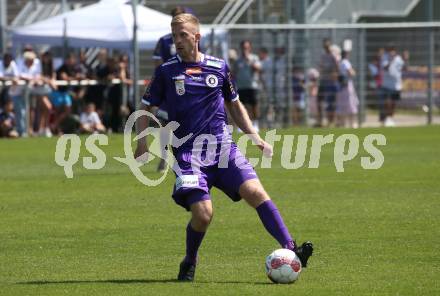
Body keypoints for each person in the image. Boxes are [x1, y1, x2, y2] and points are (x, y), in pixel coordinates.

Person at [135, 13, 313, 282]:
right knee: (204, 214)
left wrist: (254, 135)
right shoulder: (166, 71)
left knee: (256, 192)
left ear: (197, 37)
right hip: (188, 154)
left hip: (224, 149)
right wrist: (141, 142)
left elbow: (234, 104)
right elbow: (145, 108)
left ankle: (292, 249)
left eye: (183, 35)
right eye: (174, 37)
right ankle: (190, 260)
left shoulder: (219, 67)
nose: (178, 41)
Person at [152, 6, 187, 172]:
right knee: (164, 123)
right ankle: (164, 157)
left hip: (188, 87)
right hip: (169, 87)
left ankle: (186, 157)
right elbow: (157, 63)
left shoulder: (192, 39)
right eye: (177, 18)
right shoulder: (164, 41)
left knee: (188, 123)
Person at [233, 40, 261, 132]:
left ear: (250, 48)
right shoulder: (238, 60)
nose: (245, 49)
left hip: (252, 86)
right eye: (243, 48)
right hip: (241, 86)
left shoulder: (254, 58)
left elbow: (258, 69)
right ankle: (243, 125)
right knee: (242, 107)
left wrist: (249, 61)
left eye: (247, 47)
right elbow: (234, 73)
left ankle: (256, 124)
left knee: (254, 105)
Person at [380, 45, 406, 127]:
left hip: (396, 85)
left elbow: (404, 68)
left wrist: (405, 59)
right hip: (387, 84)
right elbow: (385, 68)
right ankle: (386, 118)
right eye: (390, 50)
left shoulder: (398, 59)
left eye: (393, 50)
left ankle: (390, 118)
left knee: (394, 103)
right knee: (387, 102)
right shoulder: (385, 57)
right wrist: (391, 60)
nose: (392, 52)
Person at [317, 39, 339, 127]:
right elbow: (321, 66)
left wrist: (333, 73)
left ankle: (331, 121)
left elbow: (337, 67)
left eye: (327, 46)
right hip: (323, 80)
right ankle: (321, 121)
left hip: (331, 82)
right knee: (319, 100)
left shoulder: (333, 55)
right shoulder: (323, 56)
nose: (326, 48)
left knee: (332, 102)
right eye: (325, 46)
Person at [336, 50, 358, 128]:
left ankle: (342, 123)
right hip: (347, 85)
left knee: (342, 104)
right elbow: (351, 73)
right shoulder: (346, 62)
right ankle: (352, 123)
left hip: (341, 85)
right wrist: (354, 71)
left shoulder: (339, 62)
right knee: (351, 103)